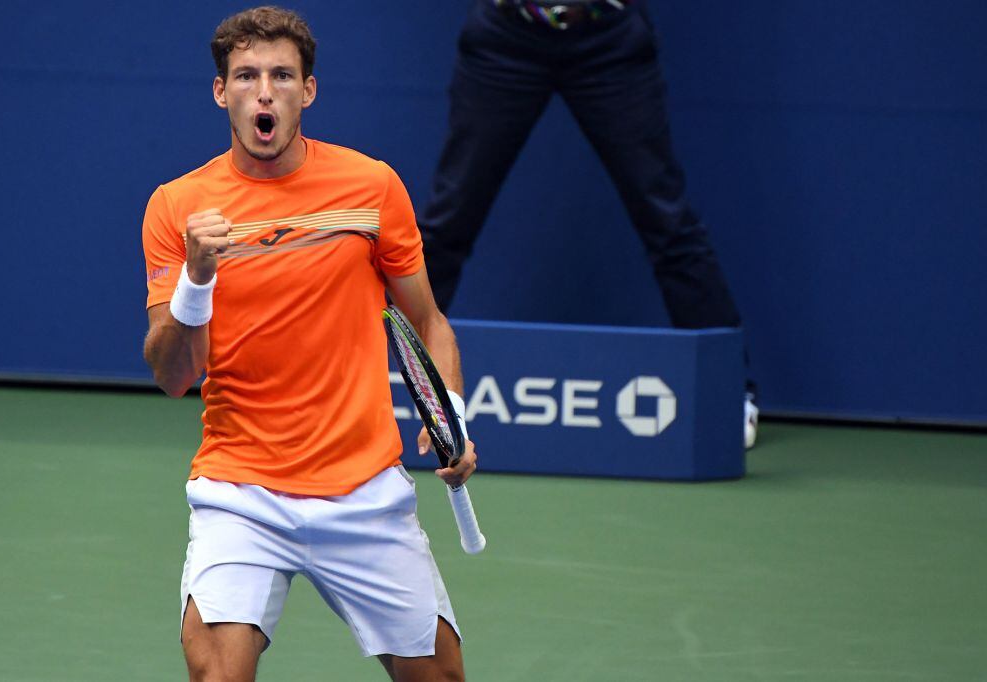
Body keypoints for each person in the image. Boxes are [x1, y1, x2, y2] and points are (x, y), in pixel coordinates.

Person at [141, 7, 476, 681]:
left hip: (362, 488)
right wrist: (197, 277)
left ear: (308, 91)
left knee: (440, 677)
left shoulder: (371, 188)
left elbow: (430, 324)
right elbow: (174, 373)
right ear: (221, 92)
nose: (264, 92)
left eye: (281, 76)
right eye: (246, 76)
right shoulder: (178, 207)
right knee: (216, 673)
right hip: (242, 489)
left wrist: (453, 417)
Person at [420, 0, 759, 447]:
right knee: (449, 222)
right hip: (505, 37)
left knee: (668, 221)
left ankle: (727, 395)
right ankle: (376, 384)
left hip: (610, 38)